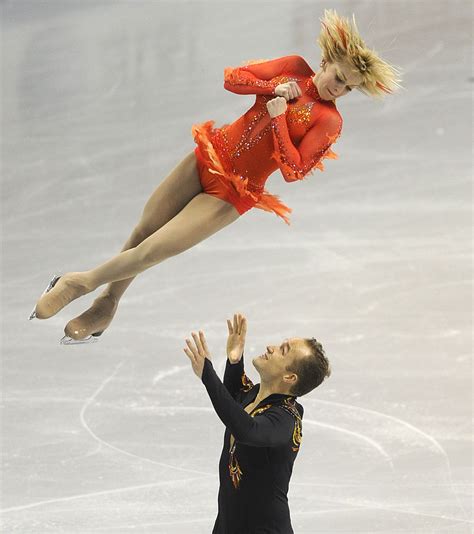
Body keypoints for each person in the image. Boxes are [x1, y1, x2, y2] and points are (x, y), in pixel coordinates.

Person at [30, 10, 401, 343]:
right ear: (326, 61)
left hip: (231, 194)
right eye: (339, 77)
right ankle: (107, 305)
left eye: (348, 88)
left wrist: (277, 120)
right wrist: (271, 88)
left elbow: (294, 170)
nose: (338, 89)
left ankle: (80, 282)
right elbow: (232, 78)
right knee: (144, 230)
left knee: (153, 249)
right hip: (210, 154)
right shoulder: (293, 67)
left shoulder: (329, 120)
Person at [183, 313, 331, 534]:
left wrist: (207, 374)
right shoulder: (255, 396)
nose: (271, 347)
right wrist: (234, 360)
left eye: (283, 351)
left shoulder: (286, 419)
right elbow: (235, 401)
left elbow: (247, 430)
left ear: (290, 377)